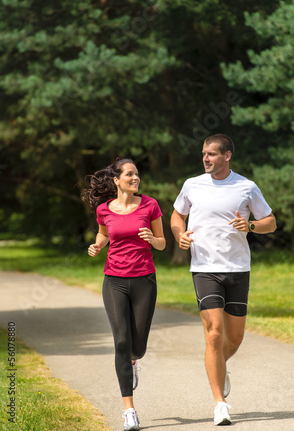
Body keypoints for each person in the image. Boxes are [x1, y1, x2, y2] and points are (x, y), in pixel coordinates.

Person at [171, 134, 276, 426]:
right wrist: (180, 235)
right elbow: (177, 215)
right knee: (214, 334)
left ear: (227, 156)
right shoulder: (192, 185)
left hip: (238, 268)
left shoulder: (246, 186)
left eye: (212, 154)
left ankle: (218, 366)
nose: (206, 158)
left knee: (235, 338)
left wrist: (251, 224)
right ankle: (220, 404)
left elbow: (270, 221)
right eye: (204, 153)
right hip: (204, 268)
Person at [84, 158, 166, 431]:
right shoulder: (104, 209)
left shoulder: (150, 205)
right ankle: (129, 411)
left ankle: (132, 362)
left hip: (144, 279)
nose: (135, 177)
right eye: (130, 174)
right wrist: (96, 246)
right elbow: (103, 234)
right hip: (114, 281)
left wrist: (152, 240)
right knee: (121, 341)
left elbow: (163, 243)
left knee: (137, 346)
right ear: (117, 180)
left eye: (137, 174)